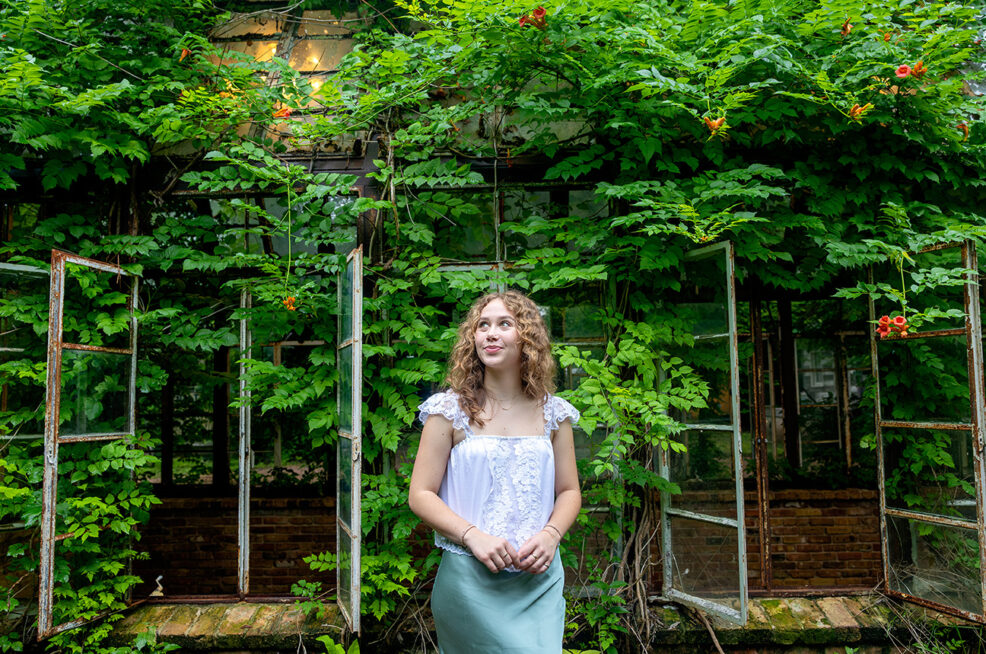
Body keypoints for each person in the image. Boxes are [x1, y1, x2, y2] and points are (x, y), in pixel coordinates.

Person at [408, 290, 581, 654]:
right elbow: (420, 494)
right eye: (483, 325)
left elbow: (569, 491)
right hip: (470, 582)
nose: (490, 333)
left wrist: (551, 535)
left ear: (528, 338)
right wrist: (472, 535)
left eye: (505, 324)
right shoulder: (448, 411)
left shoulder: (555, 414)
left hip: (539, 582)